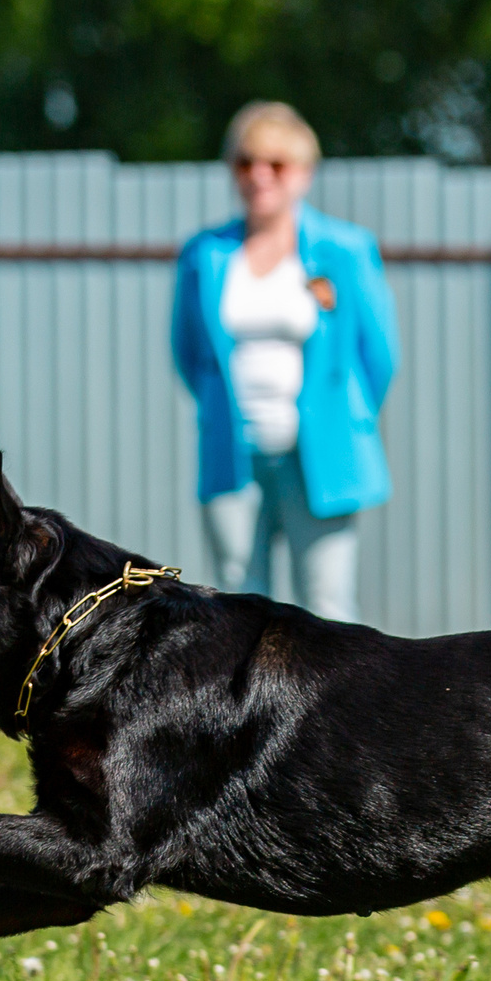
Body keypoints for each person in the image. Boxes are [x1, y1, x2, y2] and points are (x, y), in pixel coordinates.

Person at [170, 102, 399, 623]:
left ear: (303, 172)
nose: (259, 176)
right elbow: (189, 353)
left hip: (321, 454)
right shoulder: (204, 254)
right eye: (245, 162)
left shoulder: (344, 250)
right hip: (233, 452)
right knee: (234, 608)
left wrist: (342, 413)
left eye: (276, 164)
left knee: (327, 607)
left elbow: (379, 354)